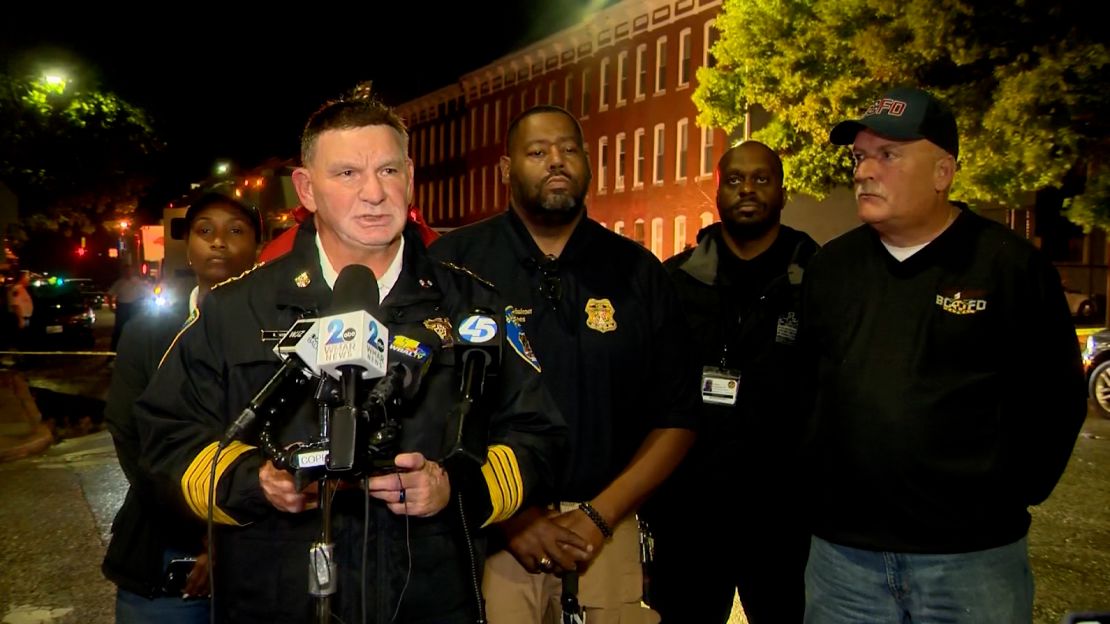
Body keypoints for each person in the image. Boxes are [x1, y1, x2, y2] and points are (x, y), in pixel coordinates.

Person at [132, 96, 565, 623]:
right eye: (347, 173)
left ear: (409, 174)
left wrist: (453, 487)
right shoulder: (234, 311)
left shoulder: (477, 311)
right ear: (308, 189)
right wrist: (253, 481)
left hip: (429, 601)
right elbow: (163, 439)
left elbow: (539, 437)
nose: (375, 193)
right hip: (273, 602)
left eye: (388, 170)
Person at [803, 86, 1087, 623]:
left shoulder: (1009, 268)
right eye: (860, 155)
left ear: (942, 173)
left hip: (971, 563)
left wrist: (997, 498)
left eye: (888, 155)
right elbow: (804, 390)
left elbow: (1055, 401)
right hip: (844, 563)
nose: (864, 171)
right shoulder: (831, 269)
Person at [430, 105, 699, 623]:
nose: (556, 161)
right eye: (537, 152)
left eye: (569, 149)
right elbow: (430, 412)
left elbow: (678, 415)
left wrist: (600, 516)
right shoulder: (455, 265)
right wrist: (516, 518)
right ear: (506, 169)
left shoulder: (636, 271)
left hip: (608, 530)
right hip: (491, 533)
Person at [645, 141, 817, 623]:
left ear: (783, 193)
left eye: (762, 179)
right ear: (717, 192)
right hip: (692, 515)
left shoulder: (820, 279)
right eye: (736, 180)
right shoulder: (674, 283)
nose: (748, 190)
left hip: (785, 518)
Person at [102, 187, 263, 623]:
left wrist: (228, 533)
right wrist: (202, 535)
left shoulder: (277, 334)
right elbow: (132, 438)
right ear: (187, 248)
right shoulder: (149, 334)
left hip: (258, 551)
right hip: (166, 548)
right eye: (204, 230)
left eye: (236, 230)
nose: (218, 241)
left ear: (257, 248)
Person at [108, 264, 150, 352]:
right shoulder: (119, 283)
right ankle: (114, 350)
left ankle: (135, 348)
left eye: (130, 271)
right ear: (124, 272)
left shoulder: (138, 282)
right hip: (122, 307)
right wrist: (111, 306)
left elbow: (147, 293)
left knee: (135, 328)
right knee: (119, 329)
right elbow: (110, 294)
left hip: (134, 307)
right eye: (126, 271)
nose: (128, 273)